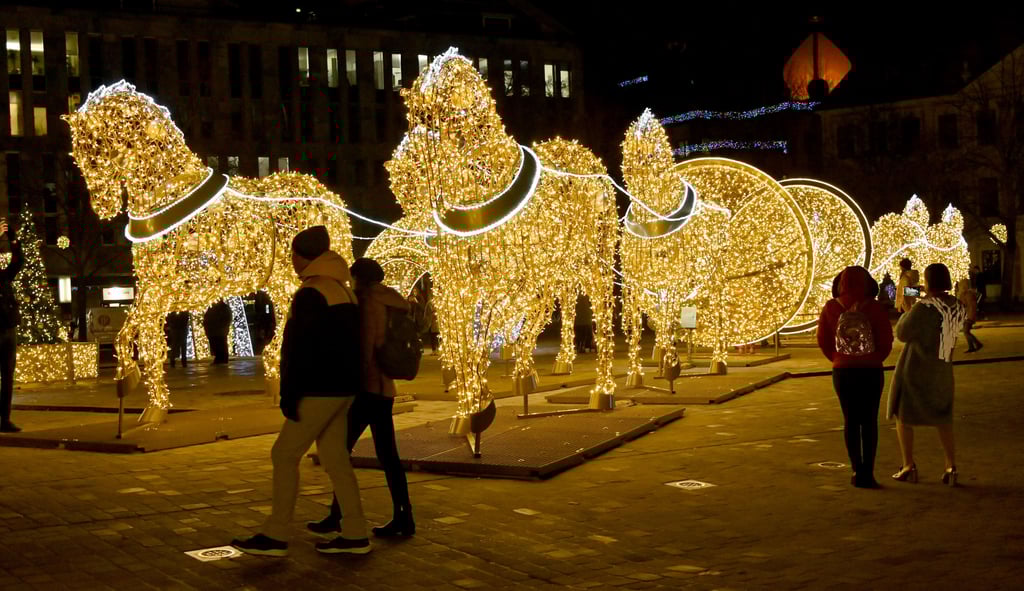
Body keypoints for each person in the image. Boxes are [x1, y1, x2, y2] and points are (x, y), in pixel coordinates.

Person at [232, 225, 370, 556]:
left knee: (284, 453)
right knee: (336, 458)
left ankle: (276, 533)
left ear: (303, 257)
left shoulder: (311, 293)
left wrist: (290, 393)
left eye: (293, 255)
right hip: (344, 388)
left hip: (319, 389)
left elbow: (299, 349)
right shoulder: (341, 289)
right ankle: (355, 531)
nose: (291, 261)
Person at [308, 257, 416, 542]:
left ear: (359, 277)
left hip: (368, 390)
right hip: (385, 389)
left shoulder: (369, 302)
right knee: (387, 456)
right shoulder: (391, 299)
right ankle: (403, 517)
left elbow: (367, 346)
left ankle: (340, 515)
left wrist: (354, 384)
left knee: (339, 452)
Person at [888, 263, 966, 487]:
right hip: (943, 368)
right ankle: (951, 466)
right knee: (943, 419)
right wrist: (921, 295)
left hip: (917, 369)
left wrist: (915, 304)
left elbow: (902, 333)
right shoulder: (957, 306)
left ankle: (908, 465)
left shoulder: (924, 307)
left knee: (903, 416)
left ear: (928, 281)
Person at [817, 266, 894, 488]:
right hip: (871, 370)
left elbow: (822, 339)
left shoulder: (832, 307)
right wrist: (875, 358)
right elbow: (886, 339)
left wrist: (837, 358)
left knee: (850, 421)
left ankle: (856, 470)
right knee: (869, 422)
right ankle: (868, 472)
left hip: (843, 371)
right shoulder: (875, 307)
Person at [0, 219, 23, 433]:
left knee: (8, 375)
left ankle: (4, 419)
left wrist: (13, 239)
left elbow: (18, 262)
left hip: (8, 327)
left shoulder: (4, 276)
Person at [957, 279, 983, 353]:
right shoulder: (965, 294)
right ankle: (972, 346)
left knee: (966, 331)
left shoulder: (968, 294)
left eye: (961, 285)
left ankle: (977, 344)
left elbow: (971, 306)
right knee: (966, 332)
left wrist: (970, 316)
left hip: (969, 316)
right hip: (967, 315)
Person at [203, 300, 232, 364]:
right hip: (213, 330)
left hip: (219, 330)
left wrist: (222, 326)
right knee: (216, 344)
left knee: (221, 344)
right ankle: (219, 358)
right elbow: (207, 318)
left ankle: (222, 359)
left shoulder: (223, 308)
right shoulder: (212, 308)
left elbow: (227, 318)